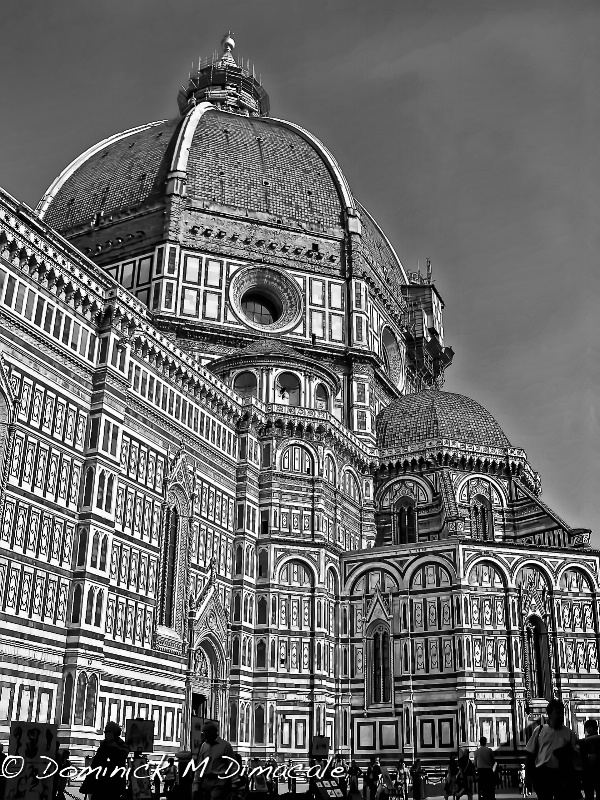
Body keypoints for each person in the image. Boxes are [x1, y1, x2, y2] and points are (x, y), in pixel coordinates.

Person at [525, 699, 579, 800]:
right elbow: (530, 754)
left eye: (561, 713)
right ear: (549, 714)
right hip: (542, 773)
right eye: (557, 713)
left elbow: (576, 756)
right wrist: (527, 776)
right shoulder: (539, 730)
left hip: (561, 775)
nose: (560, 716)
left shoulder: (569, 733)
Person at [82, 721, 130, 800]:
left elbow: (121, 759)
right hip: (99, 783)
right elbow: (96, 763)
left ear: (114, 733)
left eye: (108, 731)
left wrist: (113, 746)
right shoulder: (104, 745)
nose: (106, 734)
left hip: (113, 784)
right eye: (106, 731)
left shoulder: (121, 745)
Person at [192, 720, 235, 800]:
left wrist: (234, 784)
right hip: (206, 782)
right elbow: (200, 767)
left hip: (220, 782)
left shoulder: (225, 746)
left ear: (212, 732)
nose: (204, 735)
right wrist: (196, 785)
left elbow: (233, 766)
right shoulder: (204, 746)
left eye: (205, 732)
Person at [579, 719, 600, 799]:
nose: (588, 729)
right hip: (589, 772)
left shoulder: (585, 741)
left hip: (590, 771)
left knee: (589, 794)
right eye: (587, 727)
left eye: (590, 727)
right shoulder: (585, 742)